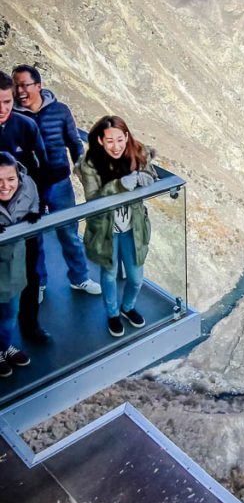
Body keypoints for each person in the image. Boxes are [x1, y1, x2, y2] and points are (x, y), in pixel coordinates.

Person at [12, 64, 100, 299]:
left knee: (69, 233)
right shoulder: (13, 116)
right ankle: (38, 283)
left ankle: (79, 278)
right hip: (29, 188)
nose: (20, 90)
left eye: (25, 84)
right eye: (16, 85)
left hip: (60, 183)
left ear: (38, 86)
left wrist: (82, 169)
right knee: (34, 237)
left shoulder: (60, 110)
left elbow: (74, 142)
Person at [76, 115, 157, 338]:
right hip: (106, 229)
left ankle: (128, 308)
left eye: (120, 139)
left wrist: (146, 177)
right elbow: (93, 199)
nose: (116, 146)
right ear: (100, 141)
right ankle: (112, 314)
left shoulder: (137, 152)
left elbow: (150, 174)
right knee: (109, 274)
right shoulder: (90, 164)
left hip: (133, 226)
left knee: (136, 277)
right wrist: (120, 185)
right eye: (110, 140)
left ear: (127, 137)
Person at [0, 70, 50, 344]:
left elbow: (40, 169)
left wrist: (36, 207)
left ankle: (30, 327)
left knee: (30, 273)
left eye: (7, 102)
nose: (2, 109)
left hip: (24, 219)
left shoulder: (25, 126)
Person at [0, 153, 40, 377]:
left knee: (10, 312)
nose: (5, 186)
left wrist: (33, 213)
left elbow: (34, 199)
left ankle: (4, 347)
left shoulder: (27, 186)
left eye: (10, 179)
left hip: (15, 264)